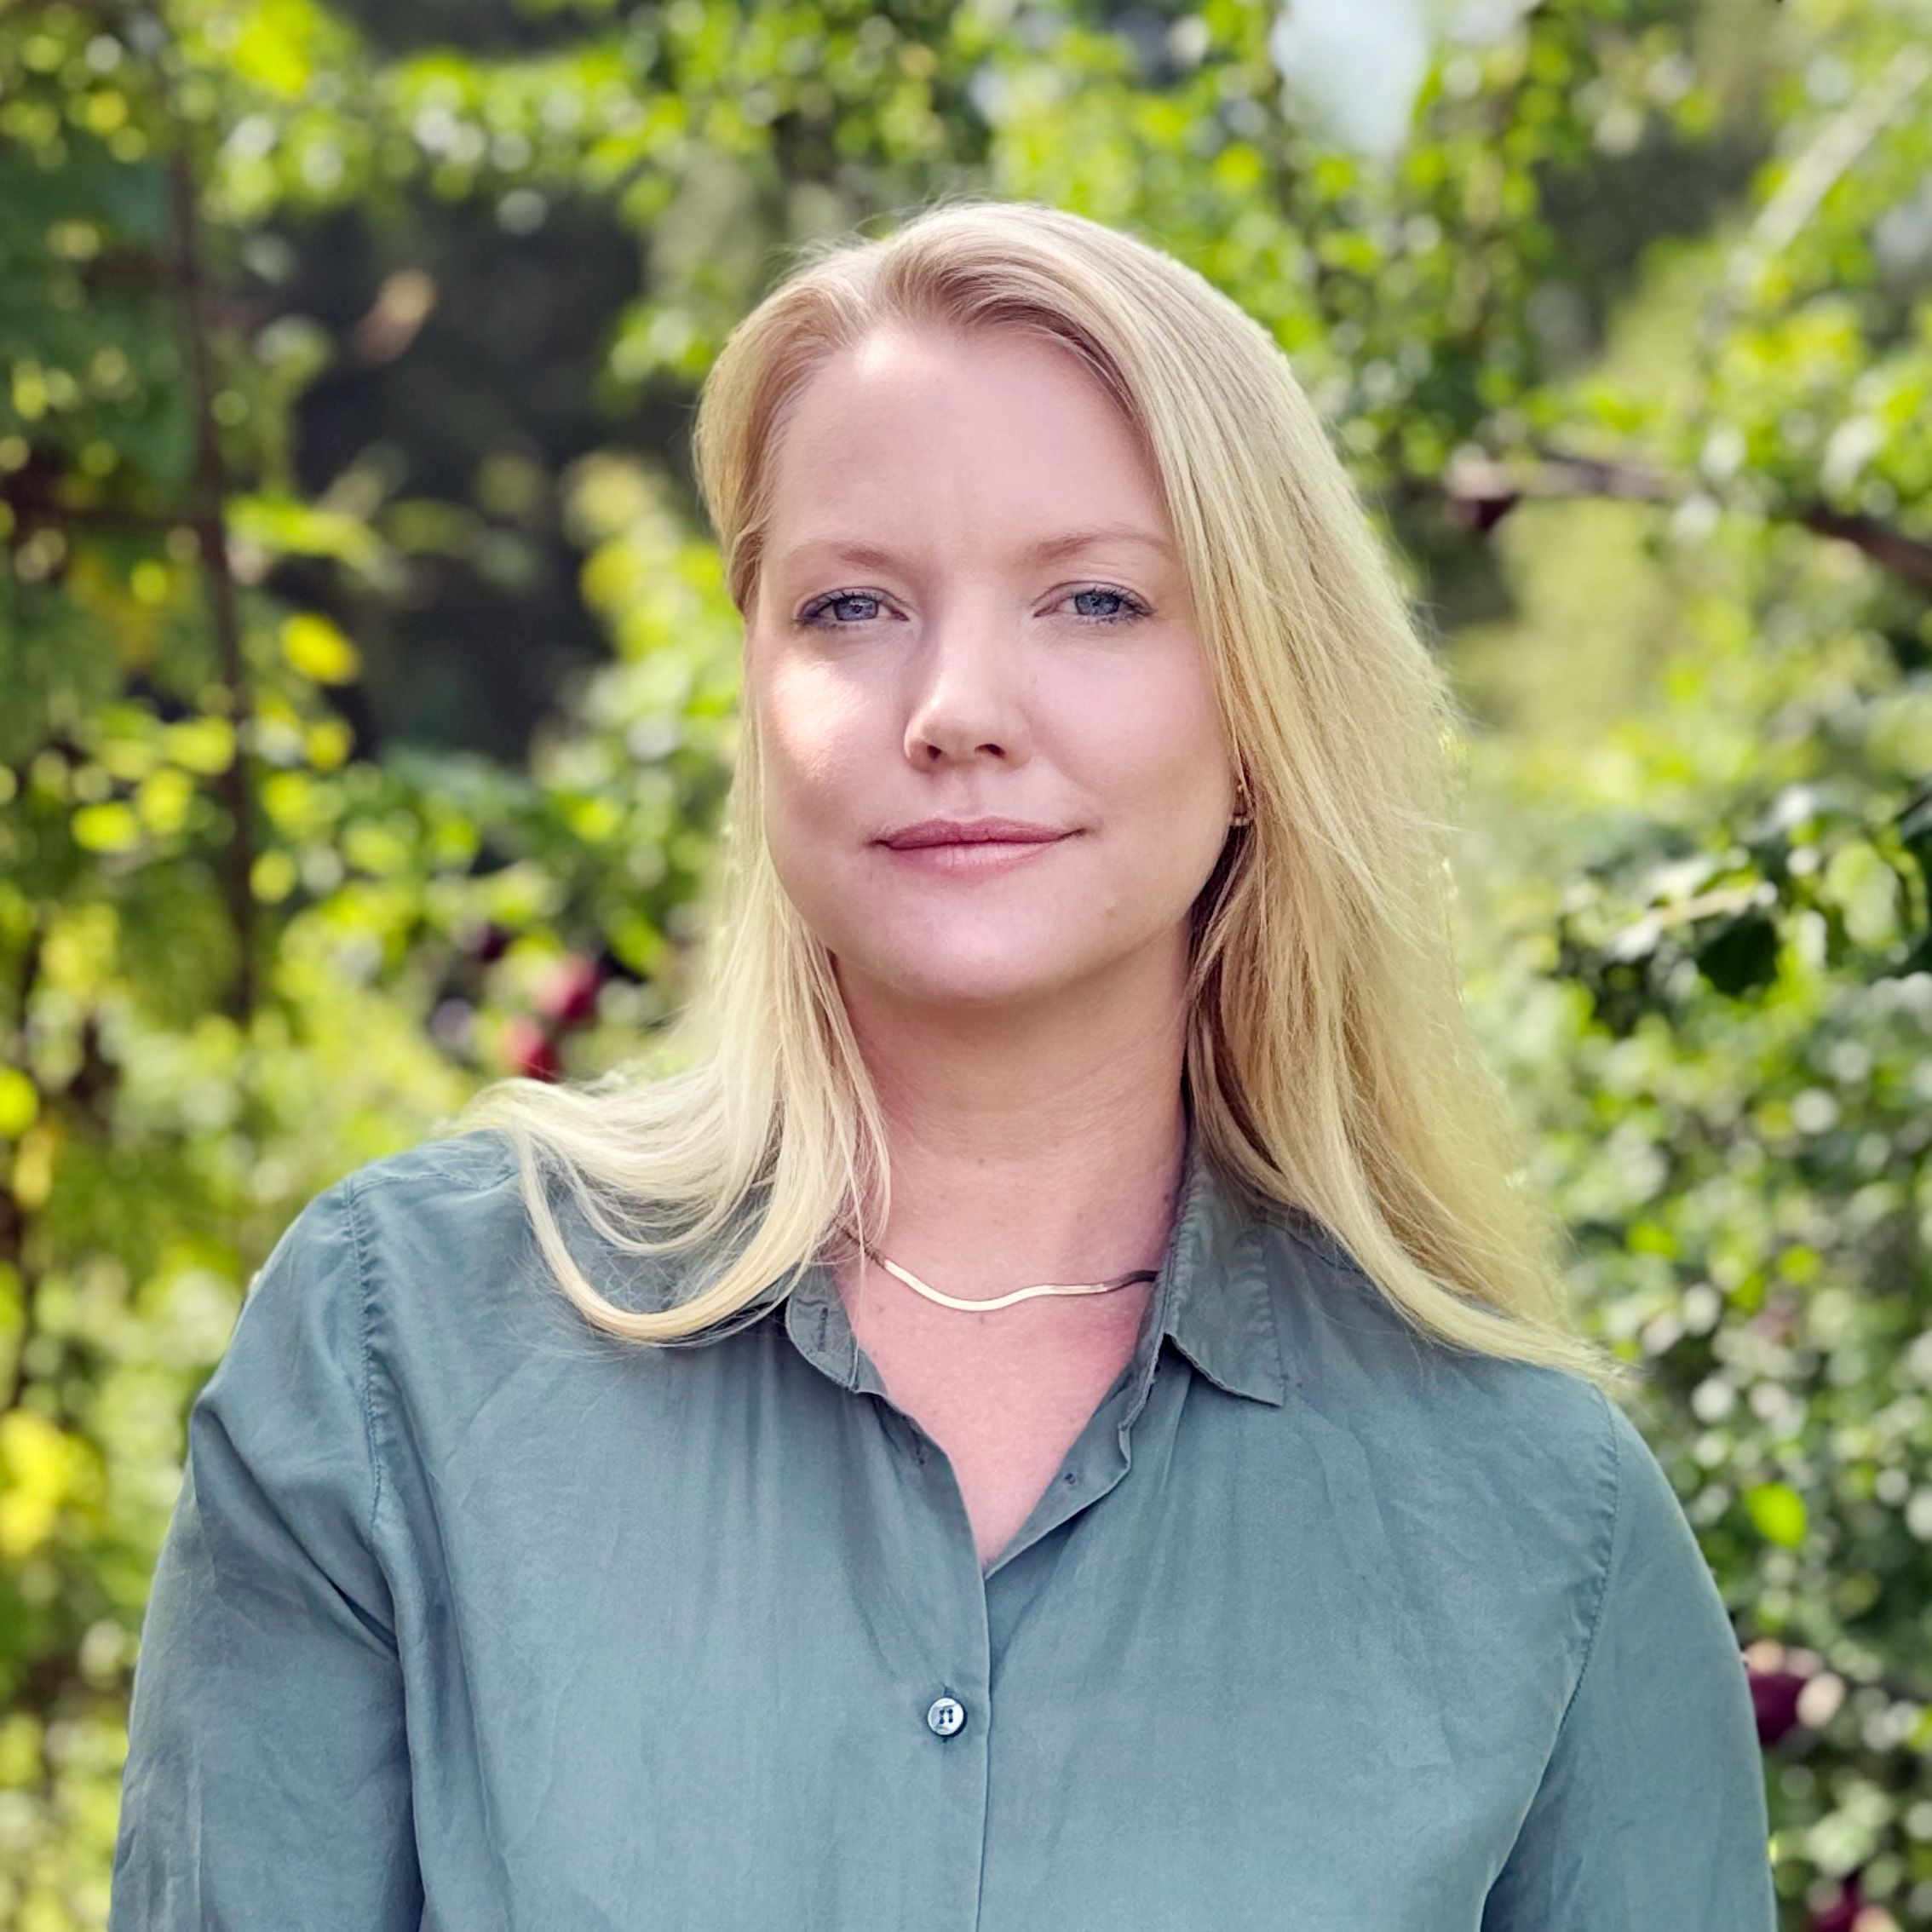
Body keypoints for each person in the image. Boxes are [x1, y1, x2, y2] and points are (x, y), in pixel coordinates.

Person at [108, 198, 1777, 1929]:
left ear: (1266, 701)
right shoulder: (402, 1357)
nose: (956, 704)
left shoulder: (1534, 1522)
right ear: (757, 689)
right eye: (851, 606)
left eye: (1098, 599)